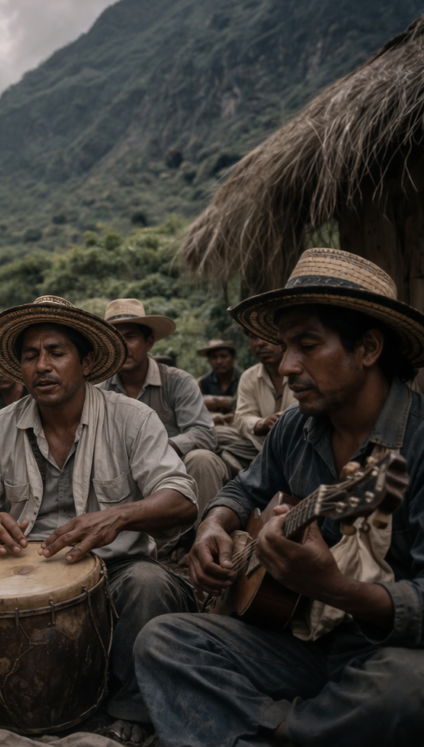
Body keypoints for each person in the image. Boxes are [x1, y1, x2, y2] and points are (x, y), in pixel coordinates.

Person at [135, 248, 424, 747]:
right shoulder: (297, 426)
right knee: (163, 641)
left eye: (307, 345)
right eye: (285, 346)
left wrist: (335, 589)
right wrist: (213, 527)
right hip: (291, 642)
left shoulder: (416, 444)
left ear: (369, 348)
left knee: (411, 687)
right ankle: (316, 729)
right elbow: (242, 489)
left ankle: (278, 729)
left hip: (379, 654)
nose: (287, 365)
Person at [0, 295, 197, 746]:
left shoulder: (132, 419)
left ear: (87, 360)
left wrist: (118, 516)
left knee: (149, 584)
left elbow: (182, 498)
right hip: (17, 572)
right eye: (30, 355)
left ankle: (130, 713)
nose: (42, 365)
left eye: (56, 352)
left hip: (111, 572)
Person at [100, 299, 228, 531]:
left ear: (148, 342)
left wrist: (160, 447)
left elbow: (205, 433)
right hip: (121, 474)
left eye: (129, 337)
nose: (121, 346)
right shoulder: (99, 390)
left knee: (202, 459)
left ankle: (201, 537)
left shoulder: (178, 382)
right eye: (114, 339)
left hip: (171, 473)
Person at [217, 331, 298, 472]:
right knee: (216, 434)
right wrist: (262, 423)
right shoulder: (249, 377)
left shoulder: (301, 370)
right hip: (261, 446)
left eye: (265, 334)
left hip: (298, 444)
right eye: (252, 336)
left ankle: (254, 471)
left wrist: (285, 420)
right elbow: (242, 418)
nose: (259, 343)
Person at [197, 338, 242, 423]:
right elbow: (194, 407)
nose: (219, 361)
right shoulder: (203, 382)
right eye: (214, 357)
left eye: (223, 356)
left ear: (234, 358)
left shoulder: (244, 379)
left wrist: (215, 402)